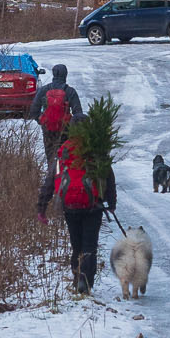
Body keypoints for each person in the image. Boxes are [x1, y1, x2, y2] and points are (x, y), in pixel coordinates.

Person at [55, 128, 116, 295]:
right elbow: (108, 177)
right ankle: (86, 281)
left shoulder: (64, 150)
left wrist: (43, 203)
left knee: (76, 246)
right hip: (93, 207)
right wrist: (111, 203)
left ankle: (76, 278)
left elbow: (55, 177)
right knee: (90, 246)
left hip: (70, 207)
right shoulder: (95, 148)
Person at [30, 63, 83, 223]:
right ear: (65, 75)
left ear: (53, 74)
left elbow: (33, 111)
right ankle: (65, 198)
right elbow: (79, 114)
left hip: (48, 133)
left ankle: (50, 198)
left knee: (52, 163)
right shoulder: (70, 91)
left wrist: (43, 121)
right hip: (66, 134)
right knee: (66, 164)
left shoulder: (44, 90)